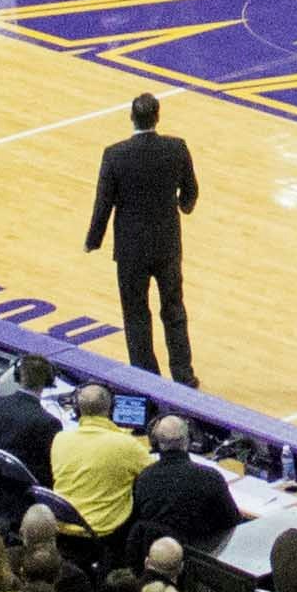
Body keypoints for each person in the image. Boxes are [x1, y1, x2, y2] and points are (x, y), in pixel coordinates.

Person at [84, 90, 201, 382]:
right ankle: (183, 374)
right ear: (157, 117)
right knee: (174, 309)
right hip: (167, 245)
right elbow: (191, 191)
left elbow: (104, 203)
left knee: (136, 313)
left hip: (131, 249)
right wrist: (183, 207)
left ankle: (146, 376)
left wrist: (93, 239)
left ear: (131, 118)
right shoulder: (176, 148)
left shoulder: (115, 154)